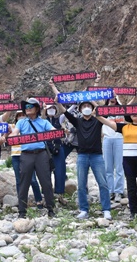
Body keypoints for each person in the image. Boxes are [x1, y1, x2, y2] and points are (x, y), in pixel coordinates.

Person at [51, 83, 111, 220]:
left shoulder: (98, 121)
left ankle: (106, 209)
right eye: (84, 106)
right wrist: (57, 102)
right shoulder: (77, 121)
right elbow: (64, 112)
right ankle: (84, 209)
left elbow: (105, 108)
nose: (86, 108)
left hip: (97, 156)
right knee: (82, 184)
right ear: (80, 109)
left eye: (88, 106)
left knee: (102, 183)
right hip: (82, 156)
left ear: (92, 108)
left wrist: (97, 89)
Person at [98, 112, 137, 223]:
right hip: (128, 160)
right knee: (131, 186)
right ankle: (133, 212)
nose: (134, 114)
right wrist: (97, 115)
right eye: (132, 112)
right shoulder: (124, 127)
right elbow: (107, 122)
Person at [8, 98, 56, 218]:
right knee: (24, 183)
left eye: (31, 106)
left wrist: (61, 132)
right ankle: (22, 211)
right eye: (26, 107)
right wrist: (11, 136)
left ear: (37, 108)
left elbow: (53, 131)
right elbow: (15, 132)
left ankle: (51, 209)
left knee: (46, 182)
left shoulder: (44, 122)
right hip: (26, 155)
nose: (28, 109)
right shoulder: (21, 122)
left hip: (41, 154)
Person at [9, 111, 44, 207]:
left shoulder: (29, 126)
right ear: (16, 118)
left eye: (22, 115)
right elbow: (0, 122)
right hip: (15, 156)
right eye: (18, 115)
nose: (21, 117)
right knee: (18, 180)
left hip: (27, 155)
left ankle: (39, 200)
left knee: (32, 179)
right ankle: (22, 202)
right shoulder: (11, 127)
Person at [101, 96, 126, 203]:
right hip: (107, 138)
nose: (113, 99)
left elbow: (129, 107)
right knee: (108, 167)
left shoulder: (122, 111)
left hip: (119, 139)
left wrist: (134, 96)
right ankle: (110, 190)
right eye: (111, 98)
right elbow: (96, 109)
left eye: (115, 98)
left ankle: (119, 191)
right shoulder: (103, 111)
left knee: (119, 166)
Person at [44, 104, 66, 198]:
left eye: (53, 108)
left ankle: (59, 192)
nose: (51, 110)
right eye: (49, 108)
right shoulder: (42, 121)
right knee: (45, 171)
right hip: (45, 149)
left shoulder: (59, 119)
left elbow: (66, 112)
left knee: (60, 170)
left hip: (58, 147)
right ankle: (46, 192)